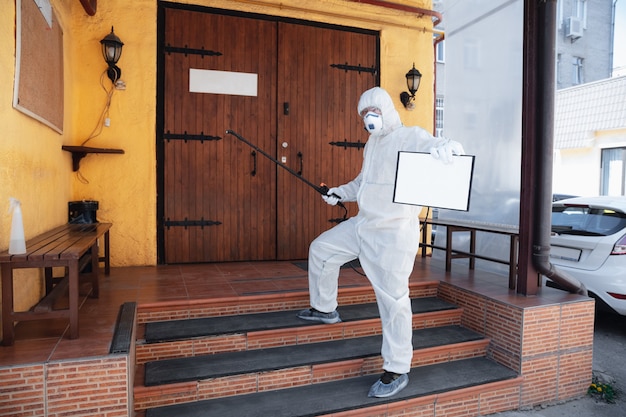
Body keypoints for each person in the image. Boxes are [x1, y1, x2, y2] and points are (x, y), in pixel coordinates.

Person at [297, 86, 464, 398]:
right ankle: (324, 308)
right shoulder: (372, 143)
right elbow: (364, 182)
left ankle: (397, 368)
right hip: (364, 224)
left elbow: (441, 145)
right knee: (321, 249)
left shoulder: (409, 135)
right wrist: (338, 193)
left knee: (393, 302)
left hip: (393, 234)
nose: (368, 118)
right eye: (363, 114)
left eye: (372, 112)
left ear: (386, 110)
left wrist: (451, 149)